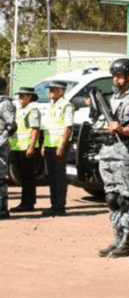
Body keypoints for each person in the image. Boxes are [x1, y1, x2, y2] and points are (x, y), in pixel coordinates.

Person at [95, 58, 129, 258]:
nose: (117, 80)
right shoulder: (111, 98)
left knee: (126, 199)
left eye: (120, 76)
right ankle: (116, 239)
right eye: (115, 76)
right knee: (111, 198)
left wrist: (124, 129)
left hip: (127, 153)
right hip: (108, 152)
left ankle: (126, 242)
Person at [40, 81, 74, 216]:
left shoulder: (67, 106)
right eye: (50, 90)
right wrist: (43, 145)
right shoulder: (51, 106)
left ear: (61, 91)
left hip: (59, 145)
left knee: (59, 177)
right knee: (51, 176)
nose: (50, 93)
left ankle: (59, 206)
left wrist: (61, 145)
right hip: (49, 144)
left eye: (53, 90)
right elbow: (48, 128)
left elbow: (68, 127)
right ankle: (54, 204)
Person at [9, 86, 41, 213]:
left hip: (27, 148)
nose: (20, 98)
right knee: (23, 177)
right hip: (18, 146)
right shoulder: (21, 109)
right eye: (19, 96)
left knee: (28, 177)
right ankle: (25, 202)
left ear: (30, 97)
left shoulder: (32, 109)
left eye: (23, 96)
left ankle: (28, 203)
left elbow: (35, 129)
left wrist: (31, 146)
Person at [0, 76, 17, 219]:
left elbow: (11, 125)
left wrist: (1, 139)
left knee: (0, 179)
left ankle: (2, 210)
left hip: (0, 146)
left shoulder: (5, 104)